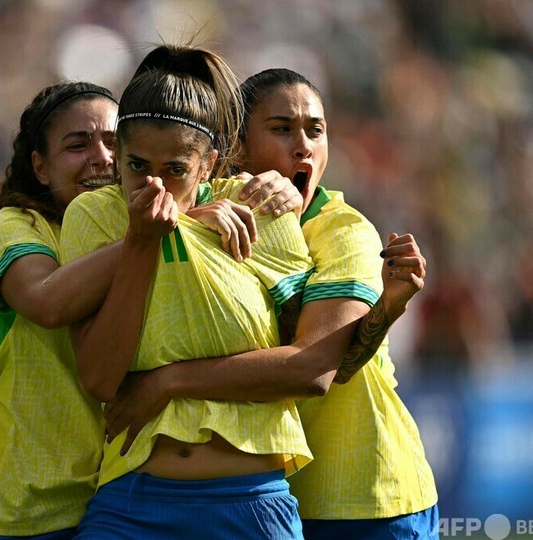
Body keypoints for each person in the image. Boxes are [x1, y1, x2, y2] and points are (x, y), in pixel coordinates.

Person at [0, 78, 302, 538]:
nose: (100, 158)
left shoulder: (135, 221)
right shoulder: (18, 227)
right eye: (78, 145)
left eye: (113, 143)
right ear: (40, 166)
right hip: (13, 512)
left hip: (107, 499)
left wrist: (279, 189)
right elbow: (48, 302)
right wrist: (176, 223)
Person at [103, 68, 438, 540]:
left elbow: (320, 367)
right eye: (282, 129)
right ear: (234, 147)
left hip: (367, 493)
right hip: (280, 490)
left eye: (315, 131)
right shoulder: (207, 217)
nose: (303, 146)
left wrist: (168, 382)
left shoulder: (344, 231)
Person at [62, 44, 315, 539]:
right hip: (132, 505)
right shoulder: (94, 217)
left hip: (250, 505)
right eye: (136, 165)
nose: (153, 184)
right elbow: (99, 378)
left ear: (207, 165)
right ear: (117, 161)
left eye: (176, 169)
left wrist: (167, 381)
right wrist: (143, 240)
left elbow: (308, 369)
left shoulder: (261, 207)